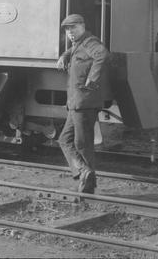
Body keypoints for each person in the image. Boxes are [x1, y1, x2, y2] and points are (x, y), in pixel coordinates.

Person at [56, 13, 109, 194]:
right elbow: (73, 51)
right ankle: (84, 173)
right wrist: (64, 55)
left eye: (74, 28)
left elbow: (102, 55)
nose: (70, 32)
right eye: (67, 30)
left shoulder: (90, 43)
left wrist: (92, 80)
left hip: (85, 102)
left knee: (82, 144)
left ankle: (87, 182)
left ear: (83, 26)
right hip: (75, 103)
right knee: (65, 140)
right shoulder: (79, 45)